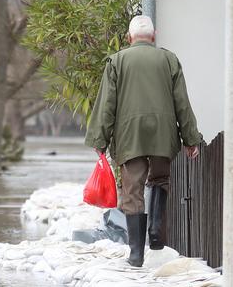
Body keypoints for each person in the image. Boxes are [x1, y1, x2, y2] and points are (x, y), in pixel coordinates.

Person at [84, 15, 202, 267]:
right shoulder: (169, 60)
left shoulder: (117, 61)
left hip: (130, 134)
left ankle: (136, 254)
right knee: (160, 180)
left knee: (132, 190)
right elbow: (182, 102)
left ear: (129, 38)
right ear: (154, 35)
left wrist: (99, 139)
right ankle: (157, 236)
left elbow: (107, 104)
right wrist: (191, 138)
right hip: (163, 131)